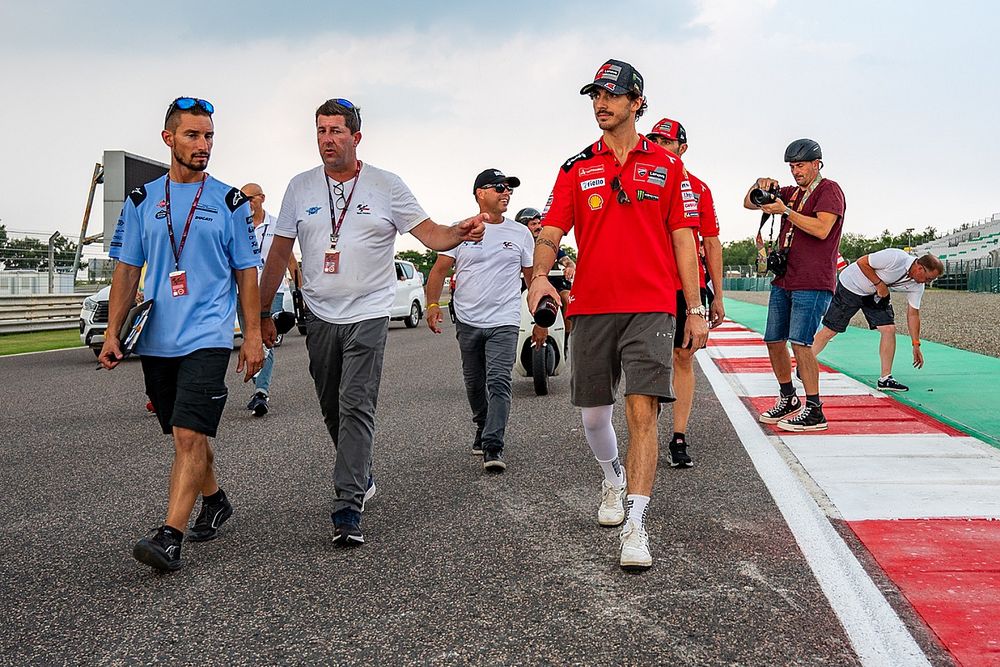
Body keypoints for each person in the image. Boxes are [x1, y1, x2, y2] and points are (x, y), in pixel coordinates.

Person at [257, 98, 486, 546]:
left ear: (356, 137)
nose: (328, 139)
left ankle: (347, 506)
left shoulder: (386, 185)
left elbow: (431, 234)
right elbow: (279, 252)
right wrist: (263, 313)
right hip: (320, 313)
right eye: (321, 131)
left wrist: (458, 231)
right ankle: (360, 470)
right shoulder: (299, 187)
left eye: (337, 131)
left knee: (356, 402)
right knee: (330, 404)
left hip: (369, 312)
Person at [527, 59, 709, 571]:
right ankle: (612, 478)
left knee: (642, 413)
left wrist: (694, 308)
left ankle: (636, 525)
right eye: (594, 96)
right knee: (593, 415)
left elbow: (682, 237)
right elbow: (551, 230)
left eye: (610, 94)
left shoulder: (669, 167)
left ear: (636, 101)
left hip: (651, 306)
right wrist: (540, 274)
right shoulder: (575, 167)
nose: (600, 103)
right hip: (591, 304)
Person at [100, 96, 264, 571]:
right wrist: (113, 332)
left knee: (190, 436)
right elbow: (127, 271)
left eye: (209, 136)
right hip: (157, 339)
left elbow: (247, 272)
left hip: (209, 335)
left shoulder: (230, 201)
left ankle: (169, 536)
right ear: (168, 138)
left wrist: (251, 335)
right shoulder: (141, 201)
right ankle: (214, 500)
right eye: (193, 135)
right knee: (183, 436)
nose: (203, 145)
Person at [425, 169, 534, 471]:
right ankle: (483, 425)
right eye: (499, 188)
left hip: (505, 319)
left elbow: (530, 276)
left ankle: (493, 445)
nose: (506, 193)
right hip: (469, 319)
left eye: (509, 189)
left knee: (499, 380)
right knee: (474, 383)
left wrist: (540, 309)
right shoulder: (462, 230)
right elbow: (438, 271)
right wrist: (433, 304)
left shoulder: (520, 234)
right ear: (480, 193)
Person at [744, 139, 846, 432]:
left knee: (801, 343)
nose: (795, 171)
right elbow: (749, 202)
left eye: (800, 165)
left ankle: (815, 409)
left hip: (812, 280)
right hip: (785, 278)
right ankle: (788, 397)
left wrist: (786, 212)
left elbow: (821, 228)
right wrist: (758, 184)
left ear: (817, 164)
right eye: (791, 166)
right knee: (774, 340)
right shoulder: (791, 193)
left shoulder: (830, 190)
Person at [646, 117, 725, 468]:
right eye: (655, 141)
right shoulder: (642, 183)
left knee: (683, 357)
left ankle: (679, 436)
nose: (661, 147)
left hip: (686, 288)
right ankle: (646, 425)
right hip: (649, 283)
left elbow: (711, 241)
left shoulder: (700, 189)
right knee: (648, 358)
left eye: (667, 142)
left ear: (682, 148)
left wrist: (718, 295)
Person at [811, 251, 943, 391]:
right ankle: (805, 364)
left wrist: (916, 344)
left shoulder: (917, 285)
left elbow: (913, 314)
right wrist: (879, 284)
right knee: (830, 331)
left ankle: (885, 378)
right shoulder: (896, 257)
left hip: (874, 293)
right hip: (851, 286)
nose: (928, 283)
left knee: (889, 329)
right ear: (920, 268)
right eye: (928, 278)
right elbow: (862, 262)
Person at [238, 182, 301, 416]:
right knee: (250, 339)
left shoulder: (276, 225)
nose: (246, 204)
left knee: (265, 339)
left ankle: (261, 392)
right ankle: (258, 386)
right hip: (243, 293)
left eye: (250, 199)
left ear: (262, 198)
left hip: (272, 291)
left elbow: (289, 259)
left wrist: (299, 290)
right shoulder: (237, 225)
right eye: (242, 199)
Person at [515, 206, 576, 315]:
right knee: (540, 303)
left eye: (539, 224)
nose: (538, 227)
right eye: (533, 224)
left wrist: (570, 266)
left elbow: (567, 261)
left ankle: (568, 332)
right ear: (523, 227)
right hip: (525, 288)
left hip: (553, 286)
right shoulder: (515, 248)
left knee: (568, 298)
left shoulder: (549, 246)